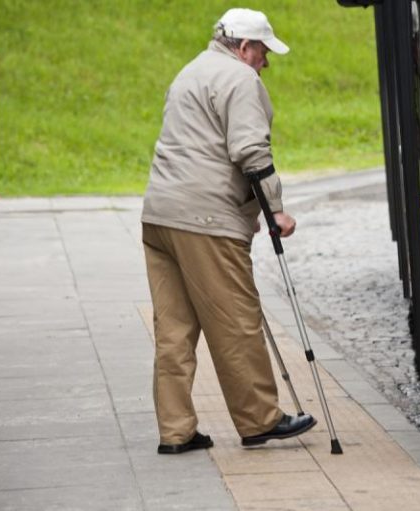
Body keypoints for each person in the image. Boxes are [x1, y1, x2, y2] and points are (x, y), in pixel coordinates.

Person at [141, 7, 316, 454]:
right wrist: (275, 210)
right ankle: (259, 419)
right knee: (236, 320)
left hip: (159, 216)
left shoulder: (190, 72)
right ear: (243, 47)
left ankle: (176, 431)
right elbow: (250, 150)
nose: (266, 63)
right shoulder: (241, 80)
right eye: (263, 52)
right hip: (207, 221)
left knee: (174, 330)